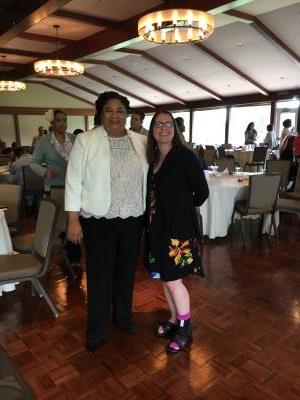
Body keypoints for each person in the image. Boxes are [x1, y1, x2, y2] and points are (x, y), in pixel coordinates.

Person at [65, 91, 148, 355]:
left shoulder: (141, 141)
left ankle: (123, 318)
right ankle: (97, 330)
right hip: (99, 219)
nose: (115, 115)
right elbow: (73, 180)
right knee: (100, 277)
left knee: (125, 273)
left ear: (128, 114)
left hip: (133, 217)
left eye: (120, 110)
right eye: (110, 110)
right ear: (101, 113)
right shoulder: (85, 140)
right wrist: (73, 220)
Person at [145, 110, 209, 353]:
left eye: (168, 124)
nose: (164, 128)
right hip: (157, 228)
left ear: (175, 128)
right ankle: (174, 319)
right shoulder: (154, 159)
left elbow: (202, 192)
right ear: (152, 130)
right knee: (165, 275)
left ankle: (185, 327)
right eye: (159, 124)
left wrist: (180, 208)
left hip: (178, 230)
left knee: (174, 279)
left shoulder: (184, 156)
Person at [31, 109, 81, 265]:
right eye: (59, 120)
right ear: (52, 123)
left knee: (75, 221)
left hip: (74, 187)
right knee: (60, 224)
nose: (63, 123)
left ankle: (74, 256)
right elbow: (34, 163)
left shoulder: (74, 139)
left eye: (65, 120)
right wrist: (45, 171)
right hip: (55, 187)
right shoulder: (44, 141)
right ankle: (62, 251)